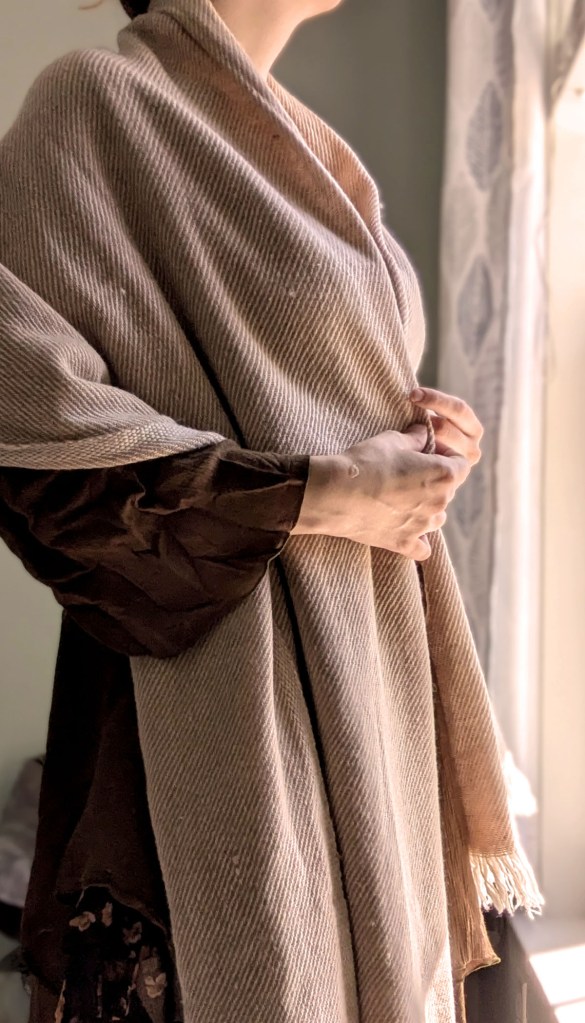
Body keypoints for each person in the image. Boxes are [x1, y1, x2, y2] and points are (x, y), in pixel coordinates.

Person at [0, 1, 542, 1022]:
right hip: (204, 752)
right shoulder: (96, 106)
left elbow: (306, 409)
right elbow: (39, 458)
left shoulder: (305, 145)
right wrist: (327, 494)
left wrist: (418, 450)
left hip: (376, 722)